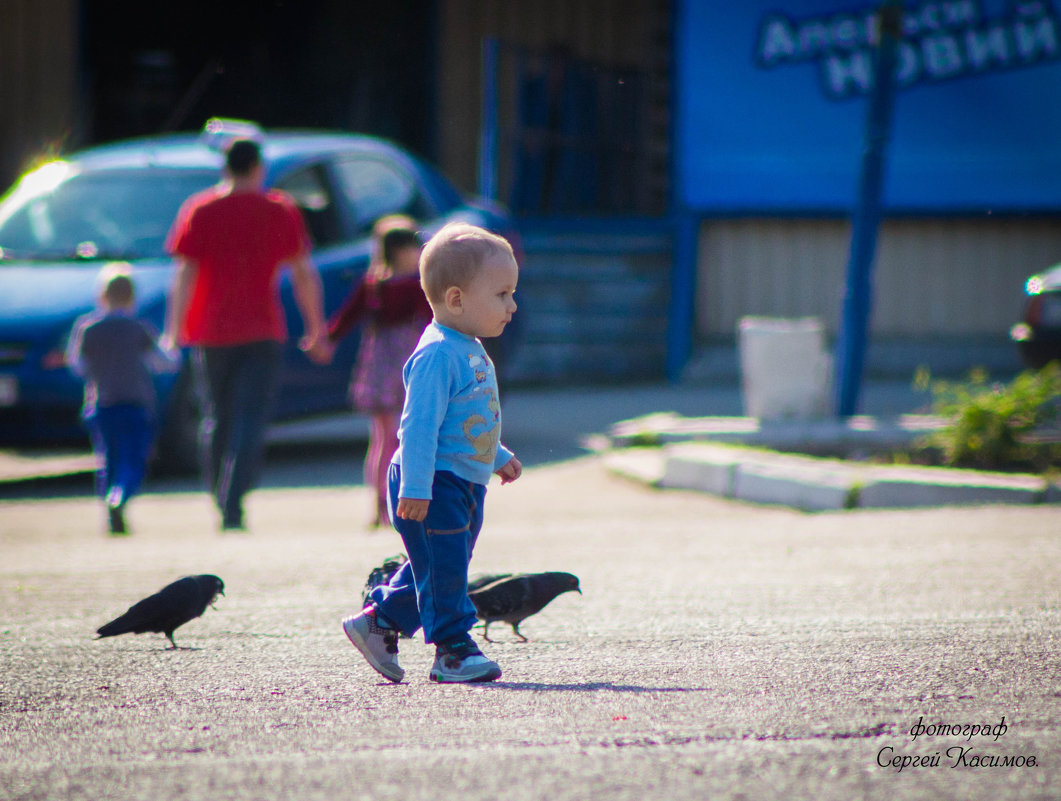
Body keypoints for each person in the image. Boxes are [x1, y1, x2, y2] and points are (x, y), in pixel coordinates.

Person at [342, 222, 522, 684]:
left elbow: (465, 419)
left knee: (443, 565)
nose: (512, 305)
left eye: (511, 293)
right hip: (432, 482)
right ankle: (453, 651)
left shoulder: (469, 347)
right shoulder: (439, 353)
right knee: (445, 571)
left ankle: (378, 621)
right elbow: (418, 428)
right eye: (501, 294)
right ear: (457, 299)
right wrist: (418, 487)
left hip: (463, 481)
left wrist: (496, 455)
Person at [161, 138, 325, 531]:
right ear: (258, 168)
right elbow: (302, 272)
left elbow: (184, 273)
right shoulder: (279, 209)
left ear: (225, 168)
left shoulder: (200, 209)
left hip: (209, 330)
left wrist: (172, 331)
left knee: (216, 416)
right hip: (262, 329)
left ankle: (222, 496)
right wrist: (316, 327)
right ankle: (235, 497)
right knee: (251, 417)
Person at [316, 224, 432, 528]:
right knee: (401, 437)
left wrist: (326, 341)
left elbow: (345, 318)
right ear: (400, 251)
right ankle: (397, 499)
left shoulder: (373, 284)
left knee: (382, 438)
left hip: (378, 366)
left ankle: (380, 502)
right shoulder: (416, 286)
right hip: (407, 364)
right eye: (413, 246)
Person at [66, 264, 179, 534]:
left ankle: (109, 504)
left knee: (108, 458)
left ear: (101, 295)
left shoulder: (88, 329)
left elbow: (78, 366)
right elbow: (164, 363)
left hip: (101, 404)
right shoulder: (138, 329)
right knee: (134, 459)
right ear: (132, 297)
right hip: (135, 403)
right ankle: (121, 496)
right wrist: (173, 349)